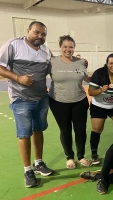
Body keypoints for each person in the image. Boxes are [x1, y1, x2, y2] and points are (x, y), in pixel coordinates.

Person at [0, 21, 53, 188]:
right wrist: (17, 78)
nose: (40, 36)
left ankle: (38, 163)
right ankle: (27, 170)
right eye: (37, 32)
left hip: (41, 98)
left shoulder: (45, 50)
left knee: (39, 130)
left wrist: (77, 63)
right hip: (21, 99)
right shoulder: (14, 45)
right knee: (24, 134)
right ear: (28, 31)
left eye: (43, 34)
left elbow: (54, 68)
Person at [49, 35, 91, 169]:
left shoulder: (80, 62)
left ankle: (81, 156)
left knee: (80, 130)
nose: (68, 49)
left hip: (79, 101)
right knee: (65, 130)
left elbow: (87, 79)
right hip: (58, 102)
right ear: (60, 47)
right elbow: (39, 74)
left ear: (74, 48)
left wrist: (102, 77)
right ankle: (70, 157)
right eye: (65, 47)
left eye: (71, 47)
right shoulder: (52, 61)